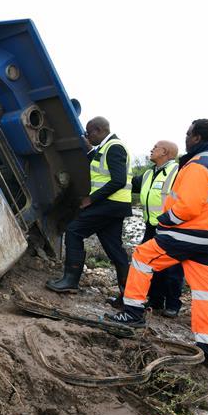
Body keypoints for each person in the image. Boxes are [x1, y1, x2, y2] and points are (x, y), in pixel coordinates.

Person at [108, 119, 208, 361]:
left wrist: (165, 220)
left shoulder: (199, 164)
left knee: (142, 258)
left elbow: (187, 207)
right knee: (205, 293)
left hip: (186, 234)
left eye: (188, 134)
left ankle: (133, 312)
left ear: (197, 138)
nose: (186, 138)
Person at [47, 116, 132, 295]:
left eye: (88, 132)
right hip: (114, 205)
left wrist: (91, 199)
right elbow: (102, 167)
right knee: (114, 249)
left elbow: (118, 180)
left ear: (98, 130)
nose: (87, 136)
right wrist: (89, 150)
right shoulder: (107, 147)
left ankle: (70, 281)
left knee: (74, 231)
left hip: (109, 204)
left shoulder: (114, 147)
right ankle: (129, 296)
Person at [128, 140, 184, 318]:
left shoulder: (177, 172)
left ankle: (173, 304)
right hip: (151, 226)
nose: (151, 150)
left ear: (165, 152)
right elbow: (130, 184)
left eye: (155, 148)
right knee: (150, 263)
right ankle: (155, 300)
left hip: (171, 226)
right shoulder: (149, 173)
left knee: (173, 267)